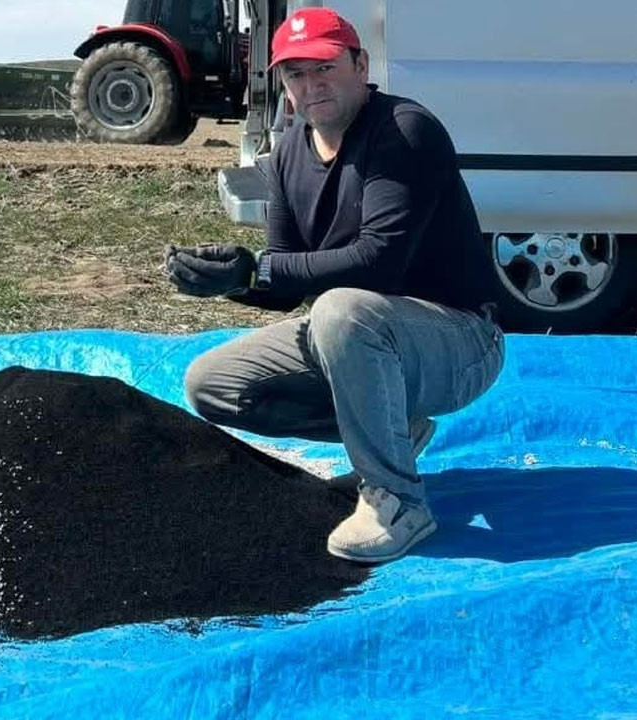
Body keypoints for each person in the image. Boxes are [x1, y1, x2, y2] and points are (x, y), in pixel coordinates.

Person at [165, 7, 505, 564]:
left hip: (461, 341)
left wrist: (259, 271)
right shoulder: (289, 155)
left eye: (323, 67)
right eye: (295, 74)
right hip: (363, 335)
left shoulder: (404, 130)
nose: (310, 85)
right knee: (212, 384)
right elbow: (279, 274)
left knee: (342, 310)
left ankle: (399, 501)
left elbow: (378, 263)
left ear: (359, 64)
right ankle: (393, 435)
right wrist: (228, 282)